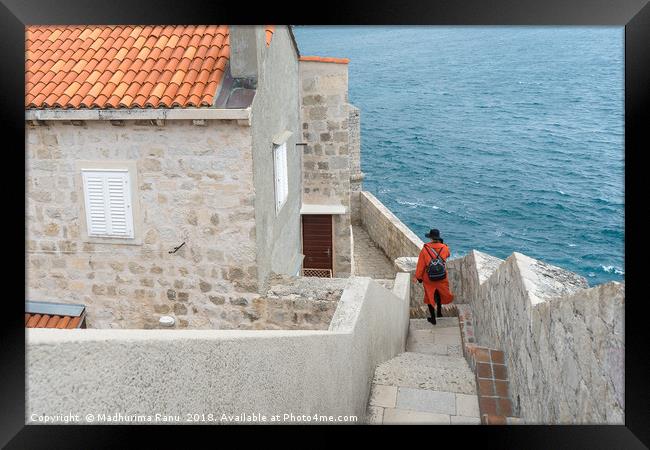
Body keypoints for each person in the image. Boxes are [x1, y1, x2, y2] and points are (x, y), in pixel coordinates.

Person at [415, 228, 454, 325]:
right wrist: (443, 244)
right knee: (439, 294)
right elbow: (448, 255)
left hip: (429, 278)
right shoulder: (444, 248)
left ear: (431, 238)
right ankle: (439, 313)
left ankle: (433, 318)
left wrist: (419, 277)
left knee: (429, 296)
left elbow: (421, 265)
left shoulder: (425, 249)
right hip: (441, 276)